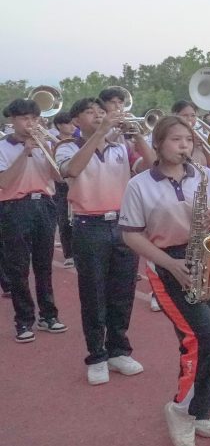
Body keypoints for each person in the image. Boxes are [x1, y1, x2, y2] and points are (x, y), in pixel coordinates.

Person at [119, 116, 210, 446]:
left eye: (188, 140)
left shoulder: (204, 175)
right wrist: (170, 264)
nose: (184, 146)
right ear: (158, 144)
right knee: (203, 337)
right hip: (167, 264)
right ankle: (181, 409)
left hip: (203, 258)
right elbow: (131, 235)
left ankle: (201, 408)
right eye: (176, 140)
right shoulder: (139, 184)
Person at [56, 98, 150, 385]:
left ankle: (118, 350)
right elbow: (72, 170)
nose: (98, 115)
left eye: (101, 111)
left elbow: (152, 165)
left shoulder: (120, 144)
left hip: (123, 223)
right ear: (76, 121)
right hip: (89, 224)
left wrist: (137, 137)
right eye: (90, 112)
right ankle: (96, 355)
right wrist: (100, 133)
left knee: (123, 291)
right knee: (93, 293)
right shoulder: (67, 147)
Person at [0, 98, 66, 343]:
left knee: (44, 265)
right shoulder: (3, 146)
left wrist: (47, 149)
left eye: (34, 118)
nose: (30, 123)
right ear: (12, 120)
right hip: (14, 206)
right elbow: (4, 182)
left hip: (44, 204)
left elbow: (59, 177)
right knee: (18, 267)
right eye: (25, 118)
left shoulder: (44, 142)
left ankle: (48, 315)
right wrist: (25, 151)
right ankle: (23, 320)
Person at [51, 111, 76, 267]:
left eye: (73, 123)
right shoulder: (52, 142)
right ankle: (69, 254)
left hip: (76, 182)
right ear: (59, 125)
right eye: (68, 123)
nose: (72, 127)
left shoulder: (77, 141)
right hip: (60, 185)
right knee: (64, 219)